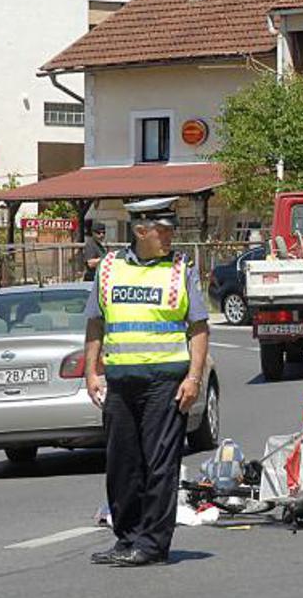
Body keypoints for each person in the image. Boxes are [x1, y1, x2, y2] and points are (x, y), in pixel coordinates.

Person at [83, 197, 209, 566]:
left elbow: (198, 328)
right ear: (141, 231)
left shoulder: (180, 268)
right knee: (122, 464)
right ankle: (126, 539)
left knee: (159, 465)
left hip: (165, 382)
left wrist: (194, 378)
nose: (171, 236)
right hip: (121, 382)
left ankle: (152, 544)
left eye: (171, 229)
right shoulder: (108, 268)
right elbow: (95, 322)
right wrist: (92, 371)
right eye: (163, 230)